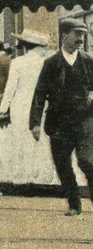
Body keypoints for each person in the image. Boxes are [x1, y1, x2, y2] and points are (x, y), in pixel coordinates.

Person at [30, 19, 93, 216]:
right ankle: (74, 204)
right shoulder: (51, 63)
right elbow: (40, 94)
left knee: (87, 161)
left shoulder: (88, 61)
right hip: (59, 124)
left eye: (83, 34)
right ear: (64, 35)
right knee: (63, 165)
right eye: (76, 34)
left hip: (84, 121)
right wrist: (35, 124)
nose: (80, 38)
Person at [0, 30, 55, 185]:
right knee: (40, 139)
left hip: (20, 105)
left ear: (26, 46)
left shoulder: (18, 62)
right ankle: (41, 176)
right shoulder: (46, 62)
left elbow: (10, 89)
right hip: (41, 105)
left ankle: (22, 177)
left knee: (21, 140)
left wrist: (3, 109)